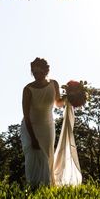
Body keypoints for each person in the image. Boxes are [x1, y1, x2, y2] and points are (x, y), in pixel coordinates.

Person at [21, 57, 64, 186]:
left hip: (47, 127)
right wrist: (33, 138)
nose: (37, 75)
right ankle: (33, 187)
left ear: (46, 71)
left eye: (40, 72)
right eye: (34, 72)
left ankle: (47, 187)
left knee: (47, 157)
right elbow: (26, 116)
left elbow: (58, 103)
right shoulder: (28, 89)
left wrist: (71, 97)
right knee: (33, 157)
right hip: (30, 127)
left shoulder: (54, 84)